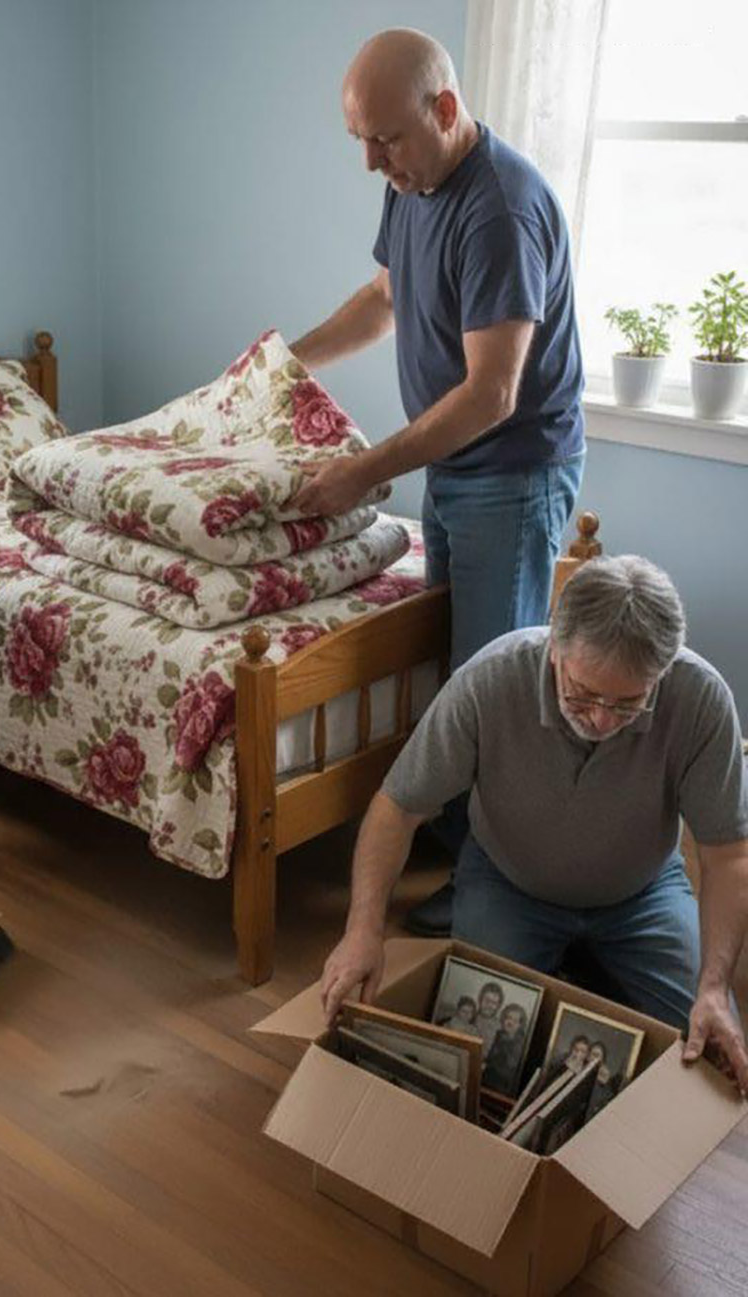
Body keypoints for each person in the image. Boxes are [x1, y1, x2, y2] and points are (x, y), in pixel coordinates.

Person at [290, 28, 586, 936]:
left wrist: (363, 472)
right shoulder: (414, 183)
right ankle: (456, 834)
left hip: (510, 471)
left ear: (446, 110)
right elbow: (384, 297)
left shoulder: (499, 207)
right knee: (454, 670)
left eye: (385, 140)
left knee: (496, 686)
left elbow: (493, 394)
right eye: (361, 143)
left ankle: (494, 883)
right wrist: (284, 363)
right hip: (455, 472)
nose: (373, 163)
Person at [319, 555, 748, 1095]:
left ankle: (586, 974)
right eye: (584, 693)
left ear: (662, 674)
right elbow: (397, 808)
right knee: (483, 1055)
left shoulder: (702, 698)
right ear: (554, 648)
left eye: (629, 704)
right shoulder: (489, 680)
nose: (601, 721)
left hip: (642, 895)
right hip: (509, 884)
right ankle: (580, 974)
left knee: (711, 1050)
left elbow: (728, 854)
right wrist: (362, 931)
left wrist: (713, 985)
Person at [482, 1003, 528, 1095]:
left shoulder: (520, 1044)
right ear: (503, 1019)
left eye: (515, 1021)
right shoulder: (500, 1034)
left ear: (520, 1025)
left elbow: (509, 1070)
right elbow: (490, 1057)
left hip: (503, 1087)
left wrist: (487, 1067)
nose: (510, 1022)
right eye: (508, 1018)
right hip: (488, 1079)